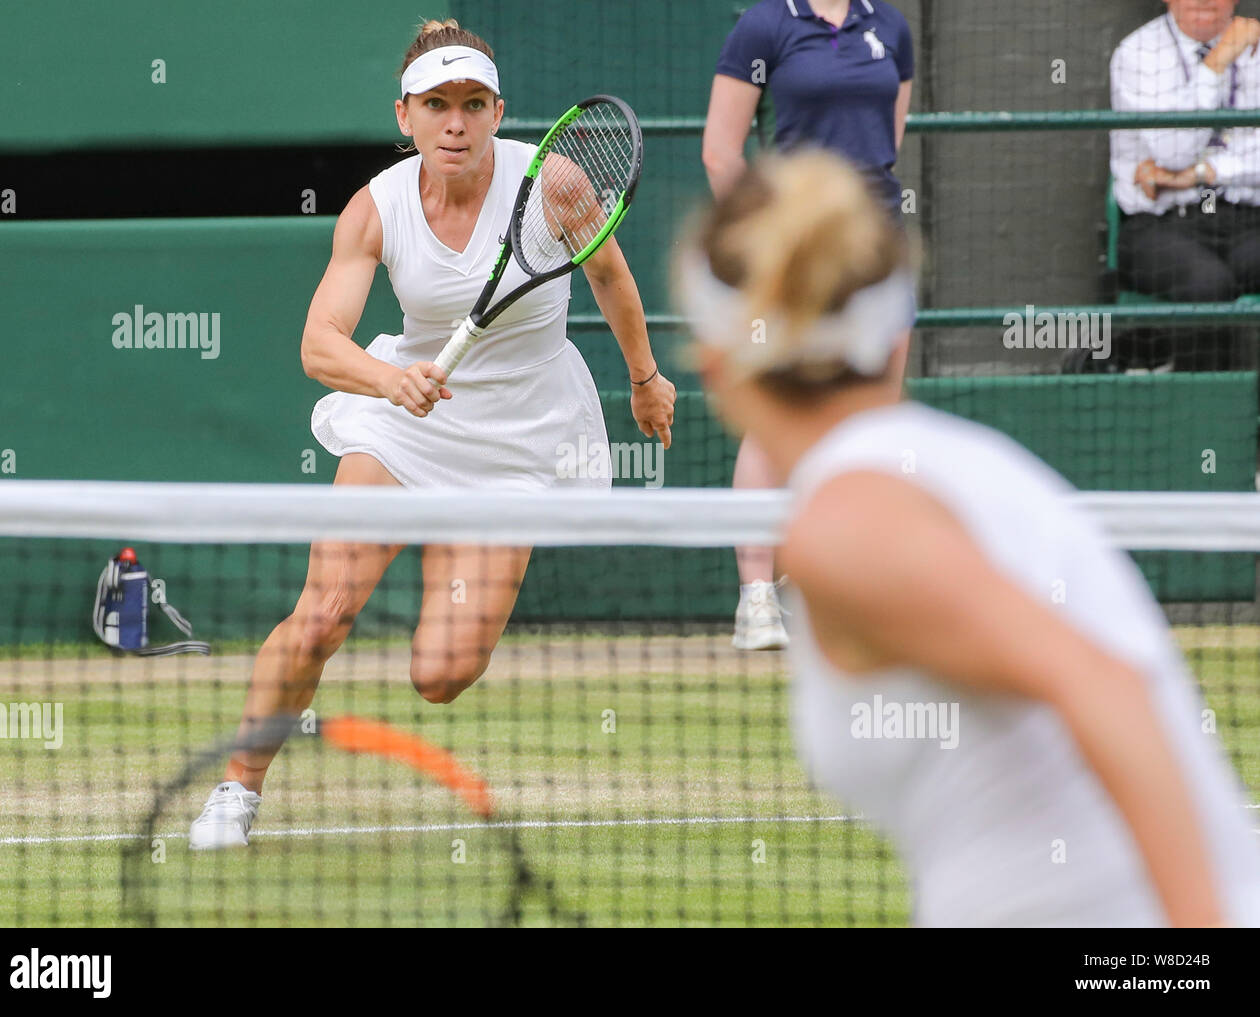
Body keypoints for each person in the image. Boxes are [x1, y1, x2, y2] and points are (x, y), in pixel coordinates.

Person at [677, 149, 1260, 926]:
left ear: (716, 367)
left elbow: (1102, 687)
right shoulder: (952, 466)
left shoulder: (848, 524)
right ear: (894, 342)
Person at [189, 19, 675, 849]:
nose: (456, 122)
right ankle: (236, 791)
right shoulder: (375, 207)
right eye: (437, 104)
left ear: (497, 111)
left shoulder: (554, 183)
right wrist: (390, 380)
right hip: (404, 425)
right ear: (404, 116)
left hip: (523, 441)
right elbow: (320, 343)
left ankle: (454, 547)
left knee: (440, 677)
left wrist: (644, 378)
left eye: (473, 104)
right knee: (324, 613)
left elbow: (610, 275)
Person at [702, 0, 914, 650]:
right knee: (776, 417)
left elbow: (889, 143)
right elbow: (720, 152)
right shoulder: (764, 26)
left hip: (876, 250)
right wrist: (771, 242)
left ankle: (842, 595)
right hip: (791, 256)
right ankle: (758, 600)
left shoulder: (891, 27)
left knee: (870, 423)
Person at [1106, 0, 1260, 371]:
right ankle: (1207, 411)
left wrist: (1201, 174)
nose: (1203, 1)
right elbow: (1173, 150)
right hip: (1161, 225)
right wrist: (1217, 62)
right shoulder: (1138, 52)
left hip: (1245, 219)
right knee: (1206, 286)